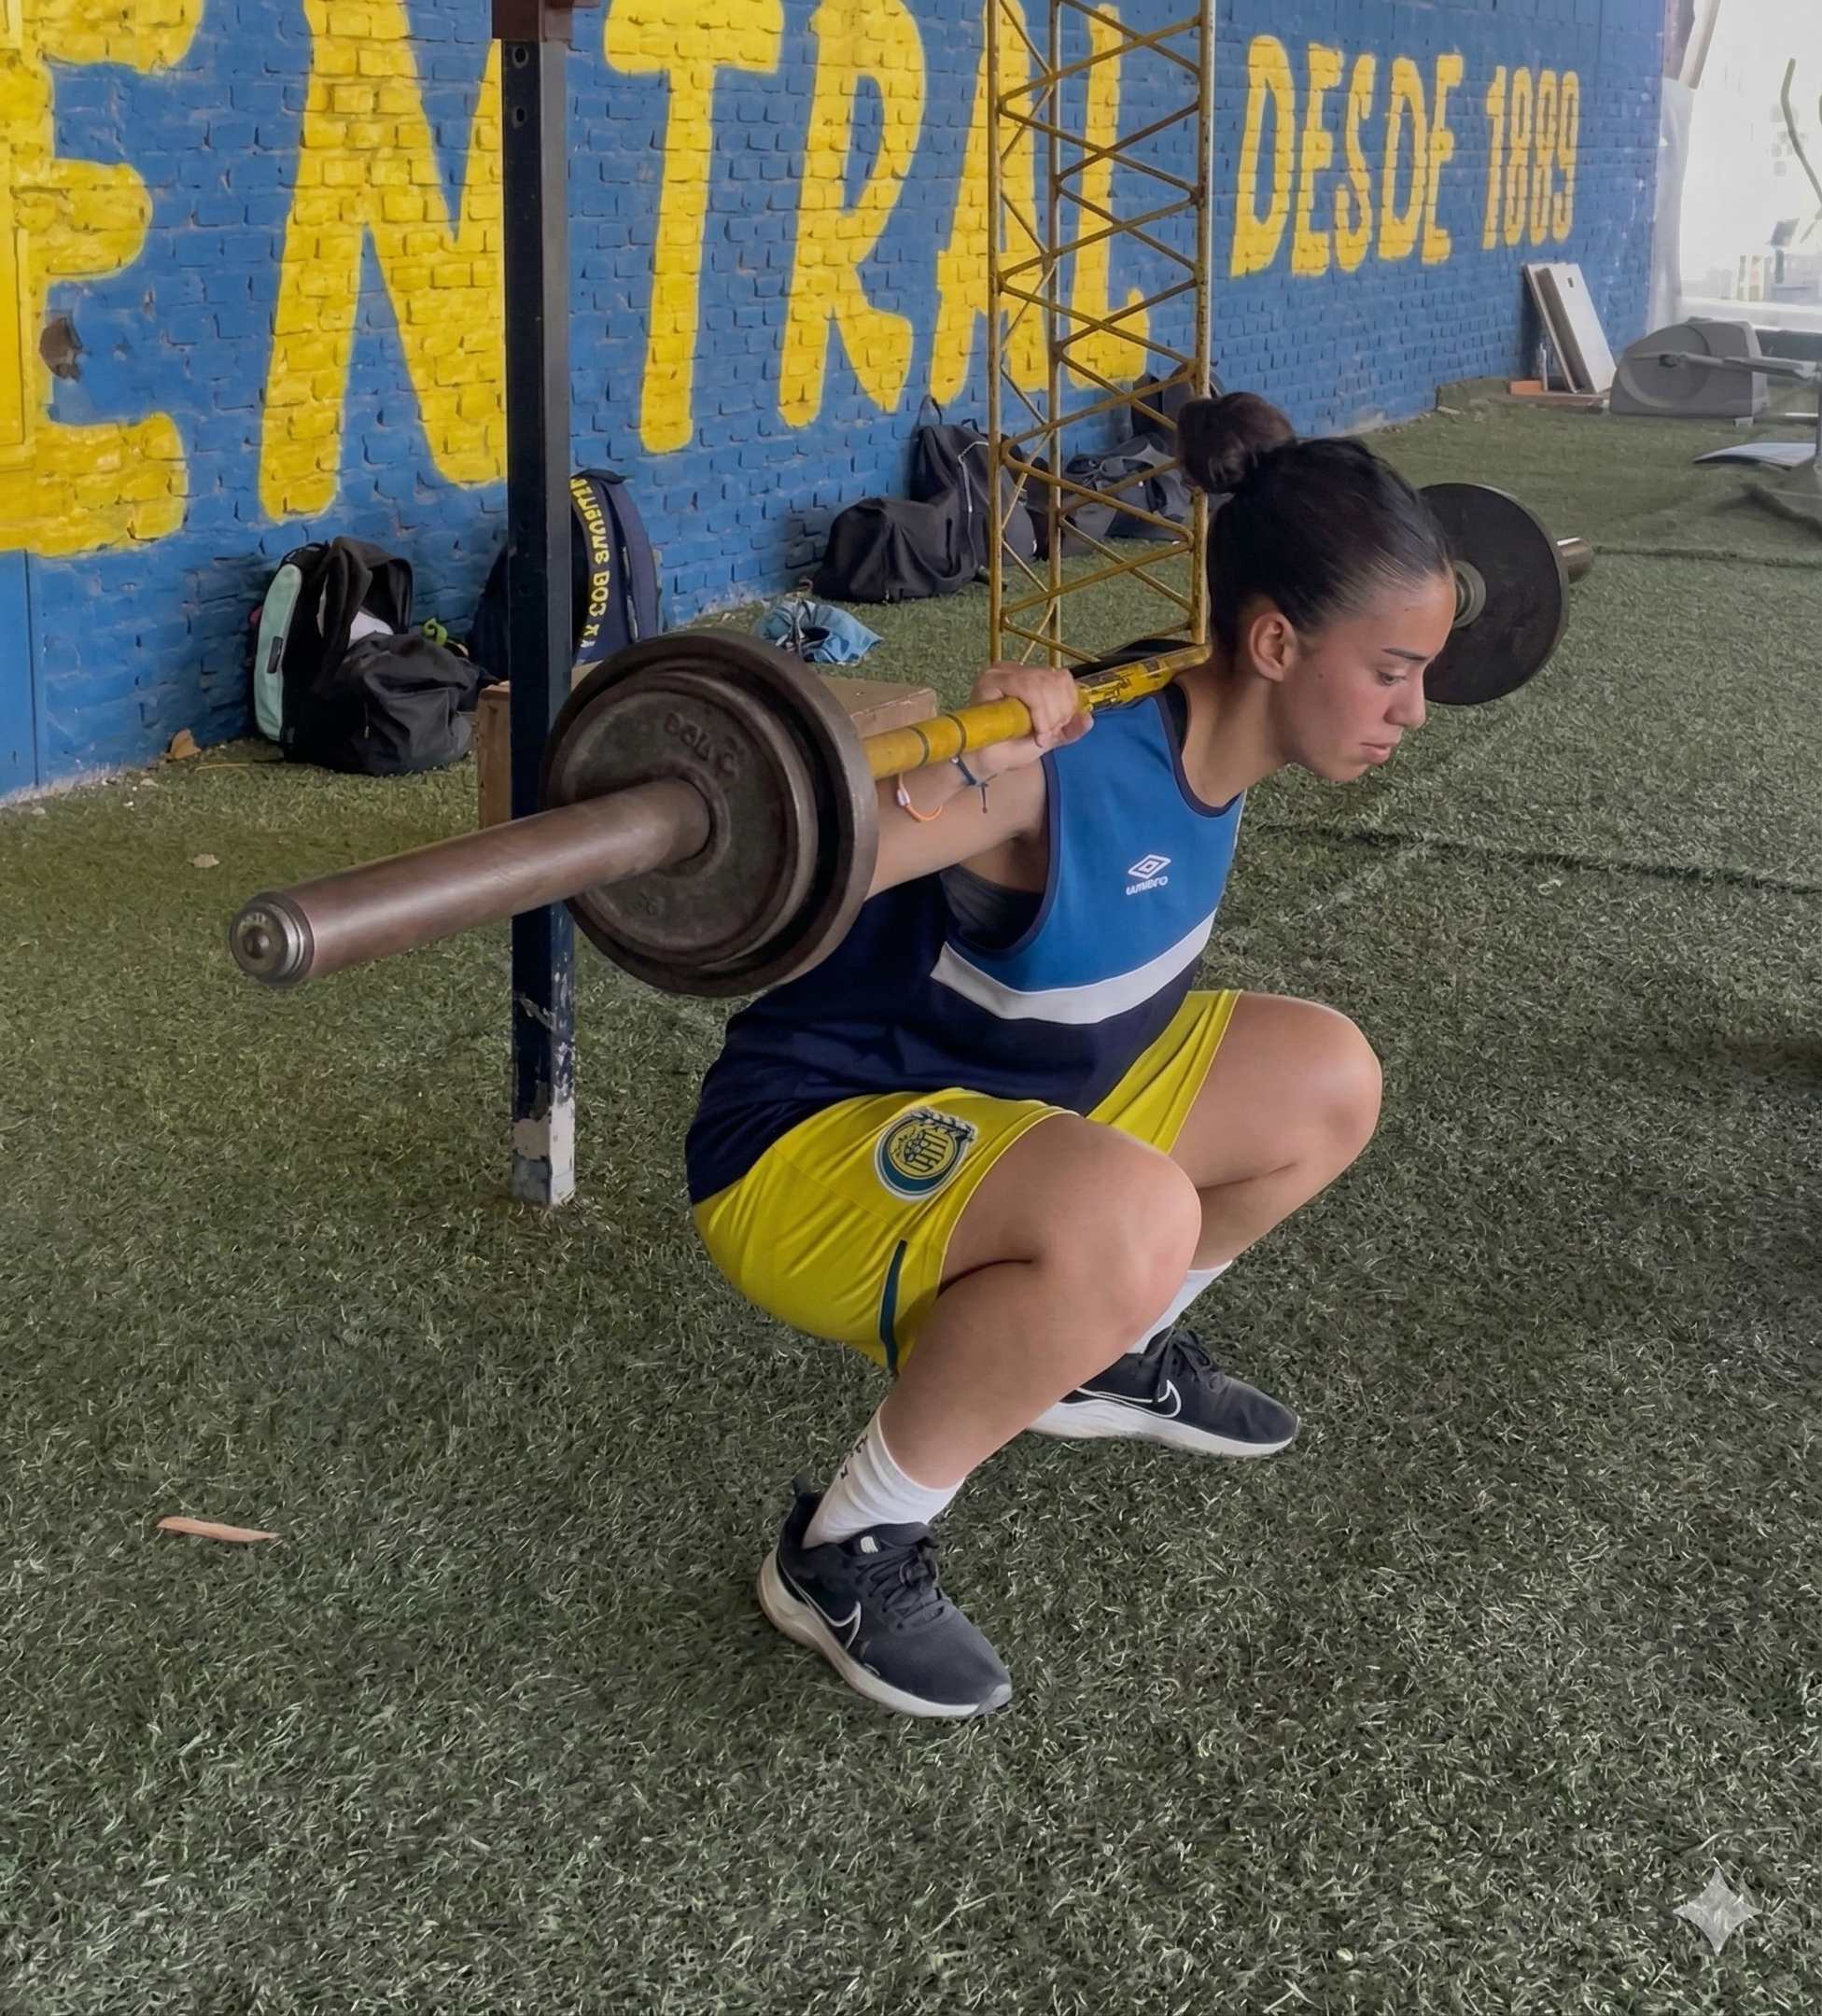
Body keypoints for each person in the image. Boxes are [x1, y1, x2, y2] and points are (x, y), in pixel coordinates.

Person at [684, 392, 1459, 1718]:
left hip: (1028, 1097)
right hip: (807, 1146)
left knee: (1327, 1077)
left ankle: (1104, 1348)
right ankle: (844, 1551)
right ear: (1275, 641)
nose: (1417, 710)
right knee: (1135, 1210)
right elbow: (781, 859)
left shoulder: (1201, 709)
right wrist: (957, 769)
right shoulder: (1053, 773)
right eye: (1391, 671)